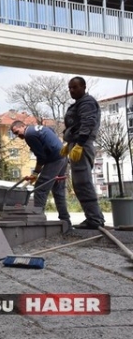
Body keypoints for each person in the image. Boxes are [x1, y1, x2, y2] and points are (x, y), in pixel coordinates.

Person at [61, 76, 105, 229]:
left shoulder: (87, 103)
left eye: (75, 87)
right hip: (77, 144)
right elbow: (76, 125)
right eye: (70, 88)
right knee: (79, 183)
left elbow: (87, 122)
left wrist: (79, 144)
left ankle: (95, 219)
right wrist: (69, 143)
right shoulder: (78, 104)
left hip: (83, 144)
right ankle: (93, 218)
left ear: (84, 87)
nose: (72, 90)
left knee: (83, 182)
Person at [10, 120, 71, 229]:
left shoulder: (29, 135)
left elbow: (41, 157)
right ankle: (65, 221)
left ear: (23, 126)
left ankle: (38, 221)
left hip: (55, 159)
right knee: (58, 191)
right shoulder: (38, 128)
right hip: (63, 157)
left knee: (40, 189)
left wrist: (35, 173)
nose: (17, 135)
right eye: (14, 134)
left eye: (17, 131)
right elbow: (52, 133)